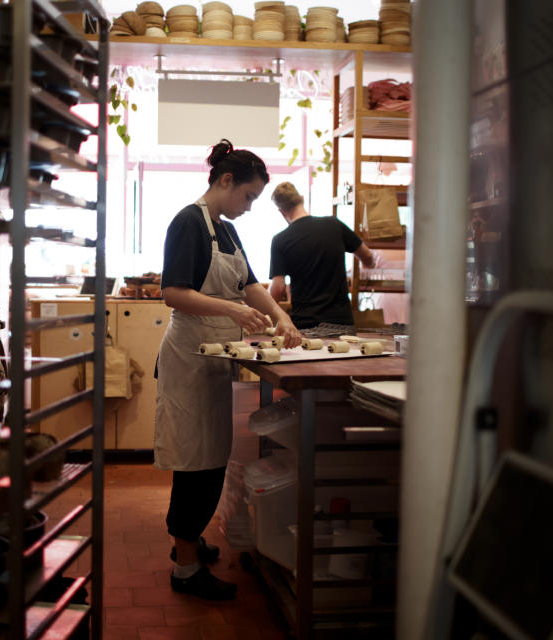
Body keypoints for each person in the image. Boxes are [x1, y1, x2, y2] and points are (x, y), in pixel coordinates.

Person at [154, 139, 302, 600]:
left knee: (211, 455)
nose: (251, 207)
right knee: (194, 461)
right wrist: (235, 312)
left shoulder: (226, 229)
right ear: (225, 181)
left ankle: (191, 540)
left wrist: (282, 317)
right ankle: (185, 568)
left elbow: (250, 284)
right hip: (189, 356)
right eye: (249, 196)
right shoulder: (187, 223)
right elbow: (173, 293)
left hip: (214, 356)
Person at [268, 182, 377, 329]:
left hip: (306, 324)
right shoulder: (334, 225)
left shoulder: (280, 240)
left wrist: (263, 313)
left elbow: (278, 288)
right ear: (302, 199)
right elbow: (368, 256)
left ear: (281, 212)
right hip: (341, 323)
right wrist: (368, 265)